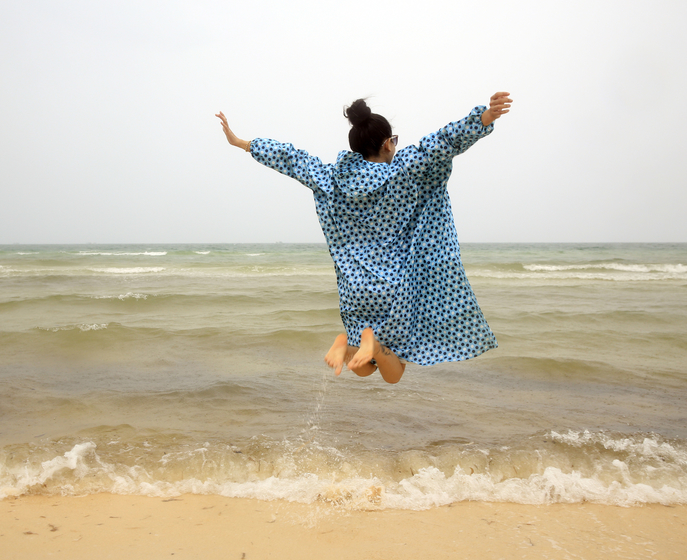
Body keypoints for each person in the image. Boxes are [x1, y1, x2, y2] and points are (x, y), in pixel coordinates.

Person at [216, 92, 512, 384]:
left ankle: (350, 345)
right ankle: (363, 344)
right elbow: (444, 142)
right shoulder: (404, 169)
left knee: (363, 366)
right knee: (394, 372)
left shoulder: (330, 178)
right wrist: (484, 117)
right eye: (394, 141)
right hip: (395, 289)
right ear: (387, 144)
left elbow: (292, 159)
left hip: (355, 290)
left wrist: (241, 142)